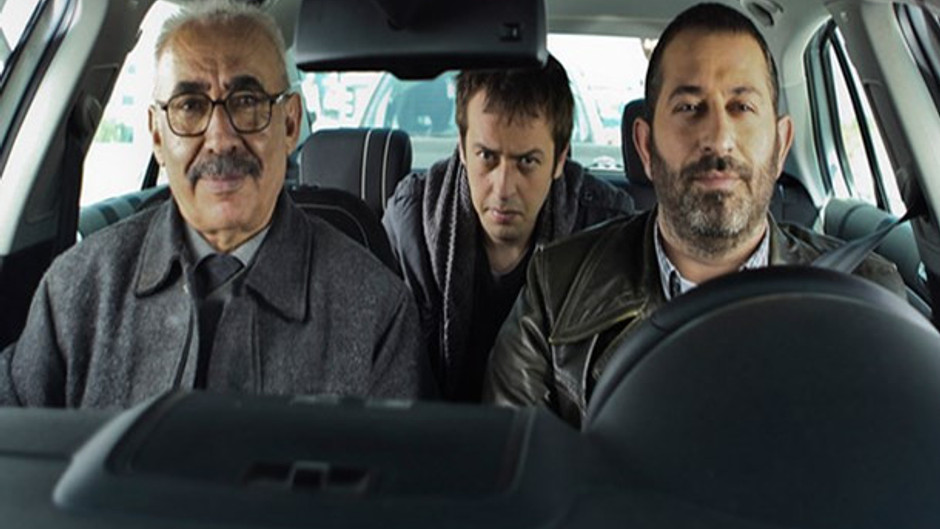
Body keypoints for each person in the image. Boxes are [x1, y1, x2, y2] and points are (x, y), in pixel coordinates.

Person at [482, 3, 906, 428]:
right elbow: (514, 457)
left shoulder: (865, 294)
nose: (718, 138)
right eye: (689, 107)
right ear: (645, 147)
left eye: (741, 107)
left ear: (780, 145)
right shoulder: (556, 291)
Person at [0, 0, 430, 408]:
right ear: (157, 135)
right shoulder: (76, 291)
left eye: (247, 102)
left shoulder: (375, 308)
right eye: (190, 106)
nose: (221, 139)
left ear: (290, 124)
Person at [383, 56, 635, 401]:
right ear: (462, 147)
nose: (503, 188)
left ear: (560, 159)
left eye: (527, 162)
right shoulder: (410, 223)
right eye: (486, 156)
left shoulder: (603, 230)